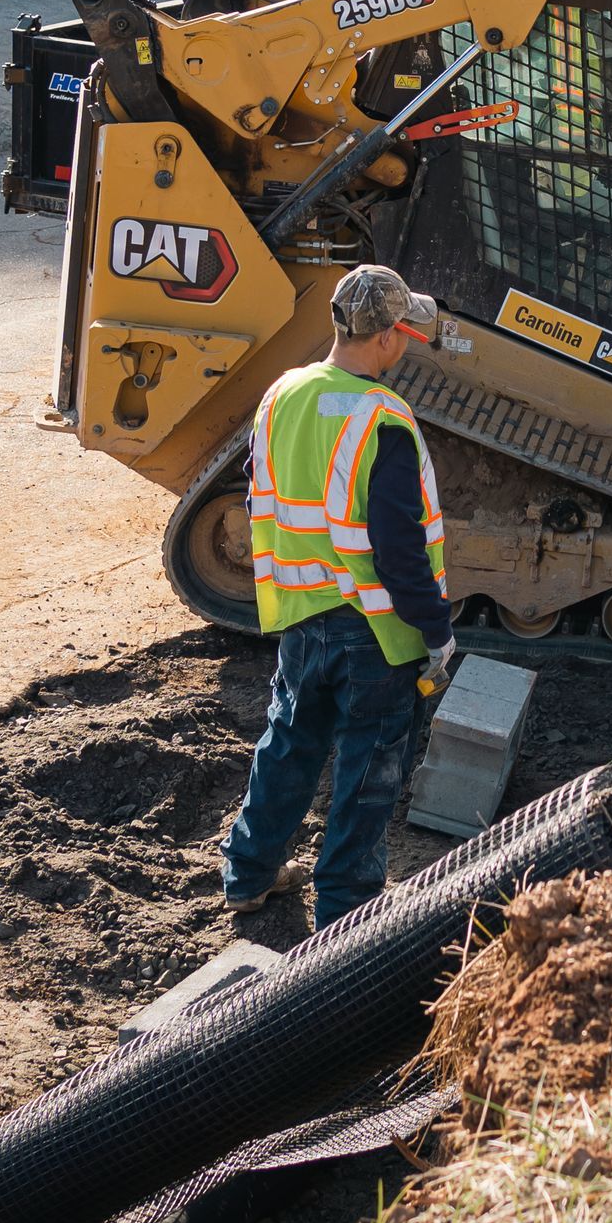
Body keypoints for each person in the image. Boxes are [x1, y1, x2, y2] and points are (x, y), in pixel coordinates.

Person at [223, 264, 458, 931]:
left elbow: (257, 487)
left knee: (290, 740)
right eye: (404, 331)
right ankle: (345, 916)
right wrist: (436, 627)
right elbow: (399, 548)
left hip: (302, 615)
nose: (408, 342)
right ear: (384, 337)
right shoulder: (383, 419)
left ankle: (248, 873)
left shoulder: (282, 394)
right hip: (376, 631)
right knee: (368, 770)